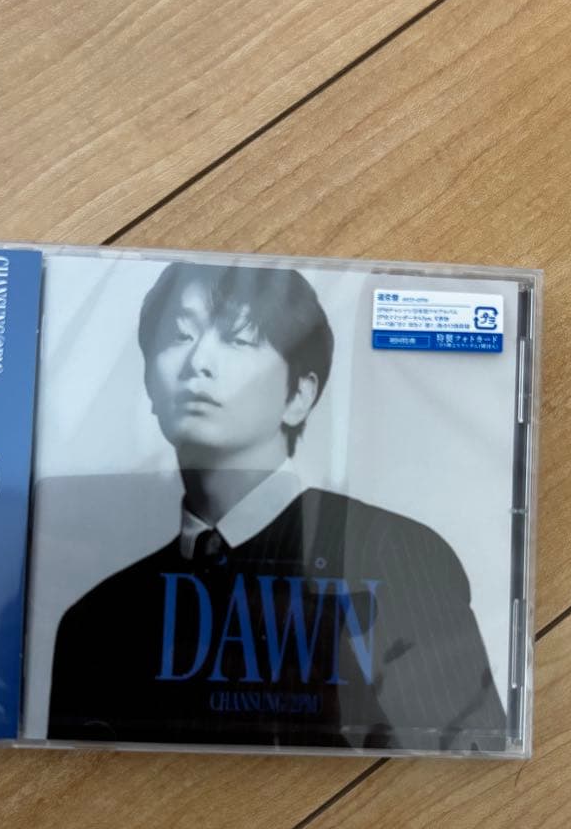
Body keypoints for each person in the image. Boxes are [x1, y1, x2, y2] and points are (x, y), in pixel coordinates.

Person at [48, 262, 506, 751]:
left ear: (300, 395)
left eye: (238, 339)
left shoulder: (394, 554)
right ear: (149, 385)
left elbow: (471, 760)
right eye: (179, 336)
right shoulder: (96, 622)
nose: (198, 362)